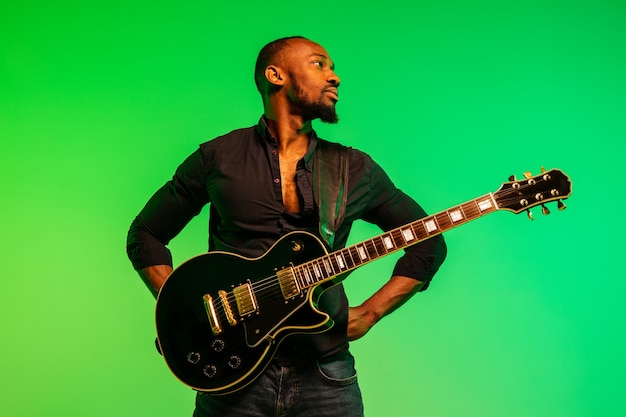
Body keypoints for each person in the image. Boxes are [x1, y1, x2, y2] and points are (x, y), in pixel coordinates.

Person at [127, 36, 447, 417]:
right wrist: (181, 308)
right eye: (319, 64)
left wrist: (372, 311)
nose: (336, 77)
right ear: (275, 75)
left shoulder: (354, 169)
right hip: (233, 376)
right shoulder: (218, 158)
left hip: (326, 374)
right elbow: (145, 234)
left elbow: (429, 243)